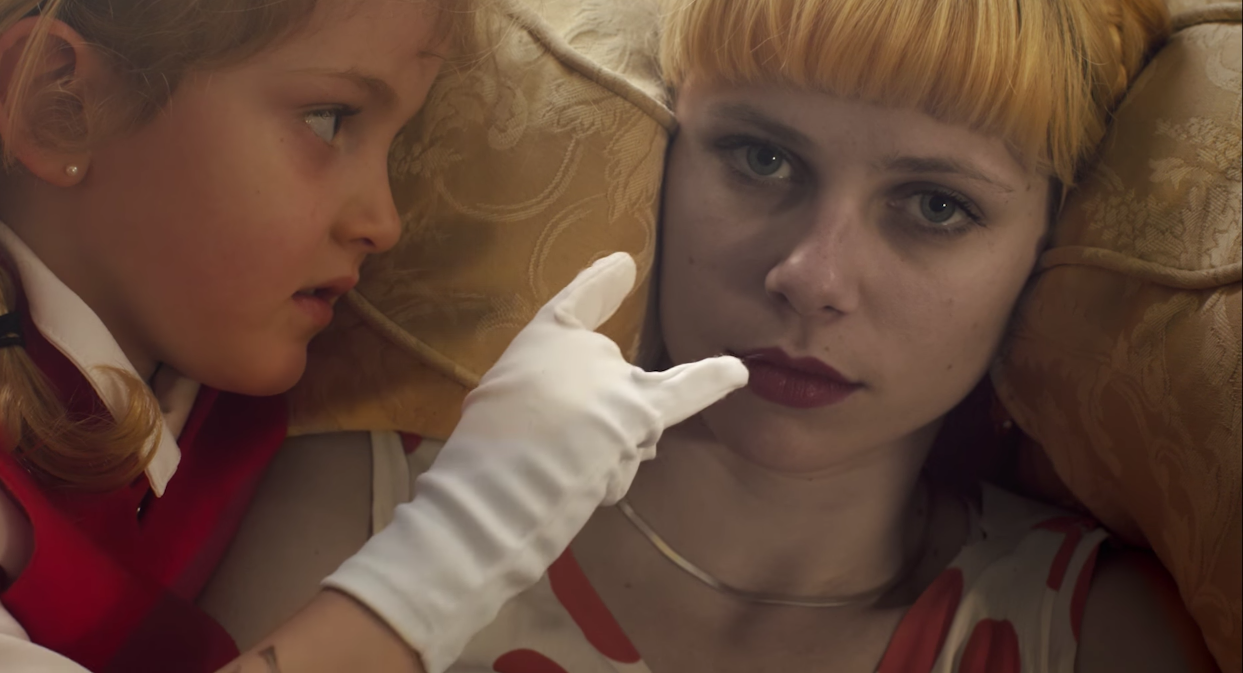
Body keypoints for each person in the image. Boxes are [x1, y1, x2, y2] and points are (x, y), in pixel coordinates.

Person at [440, 0, 1225, 671]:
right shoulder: (400, 508)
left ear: (1049, 245)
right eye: (762, 159)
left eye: (936, 206)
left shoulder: (1093, 637)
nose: (813, 278)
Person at [0, 1, 748, 672]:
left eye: (398, 144)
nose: (385, 222)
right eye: (329, 118)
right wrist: (468, 534)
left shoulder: (215, 376)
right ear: (57, 105)